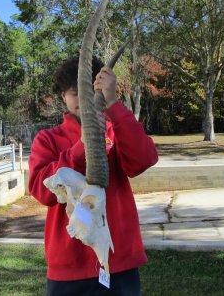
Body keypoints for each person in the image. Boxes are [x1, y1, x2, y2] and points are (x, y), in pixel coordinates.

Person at [28, 56, 158, 296]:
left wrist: (114, 105)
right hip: (69, 266)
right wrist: (80, 148)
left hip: (118, 259)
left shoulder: (116, 130)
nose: (83, 97)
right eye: (74, 92)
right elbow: (42, 190)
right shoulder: (48, 140)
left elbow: (143, 160)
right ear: (62, 97)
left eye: (90, 88)